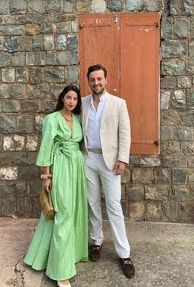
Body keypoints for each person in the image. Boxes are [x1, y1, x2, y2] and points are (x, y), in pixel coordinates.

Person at [24, 85, 88, 287]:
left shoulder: (77, 119)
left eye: (75, 99)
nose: (71, 101)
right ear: (62, 99)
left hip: (76, 169)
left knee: (74, 212)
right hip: (60, 168)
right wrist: (46, 175)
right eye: (68, 97)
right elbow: (46, 147)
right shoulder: (52, 119)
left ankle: (63, 256)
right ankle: (61, 272)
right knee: (63, 213)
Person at [81, 64, 135, 279]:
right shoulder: (82, 102)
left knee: (113, 205)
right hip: (88, 159)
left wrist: (123, 159)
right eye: (92, 79)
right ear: (88, 81)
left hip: (111, 161)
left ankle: (124, 254)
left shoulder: (118, 104)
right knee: (92, 203)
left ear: (106, 79)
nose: (96, 83)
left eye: (100, 79)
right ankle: (97, 241)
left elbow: (125, 133)